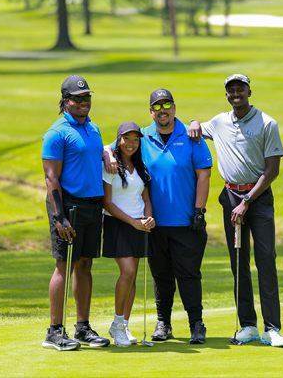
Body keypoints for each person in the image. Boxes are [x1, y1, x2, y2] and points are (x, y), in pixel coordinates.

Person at [186, 73, 283, 347]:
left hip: (258, 199)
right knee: (238, 262)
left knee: (266, 259)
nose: (236, 94)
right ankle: (247, 325)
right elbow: (194, 128)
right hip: (231, 197)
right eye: (231, 90)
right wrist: (195, 121)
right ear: (227, 95)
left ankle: (272, 328)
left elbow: (272, 170)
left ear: (249, 92)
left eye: (240, 89)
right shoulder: (220, 122)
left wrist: (248, 201)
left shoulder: (267, 123)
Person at [105, 88, 213, 344]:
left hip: (186, 220)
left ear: (174, 108)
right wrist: (107, 152)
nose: (162, 111)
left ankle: (196, 324)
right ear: (151, 111)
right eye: (157, 107)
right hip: (152, 224)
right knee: (161, 276)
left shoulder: (191, 135)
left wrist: (199, 210)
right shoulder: (142, 135)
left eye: (167, 106)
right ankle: (163, 323)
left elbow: (204, 175)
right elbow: (111, 147)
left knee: (188, 275)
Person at [41, 74, 111, 350]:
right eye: (78, 98)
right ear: (65, 101)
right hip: (68, 205)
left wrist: (107, 153)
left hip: (93, 205)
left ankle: (82, 328)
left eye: (87, 97)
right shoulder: (56, 132)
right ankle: (55, 331)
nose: (84, 102)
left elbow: (94, 154)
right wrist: (60, 217)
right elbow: (51, 179)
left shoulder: (92, 128)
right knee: (64, 266)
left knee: (85, 265)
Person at [101, 121, 156, 348]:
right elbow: (107, 203)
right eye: (126, 139)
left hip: (138, 225)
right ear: (118, 140)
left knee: (132, 277)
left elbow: (146, 200)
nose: (131, 143)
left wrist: (148, 218)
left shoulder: (141, 167)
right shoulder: (110, 166)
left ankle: (123, 324)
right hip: (118, 224)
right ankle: (116, 323)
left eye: (135, 139)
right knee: (128, 271)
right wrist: (133, 222)